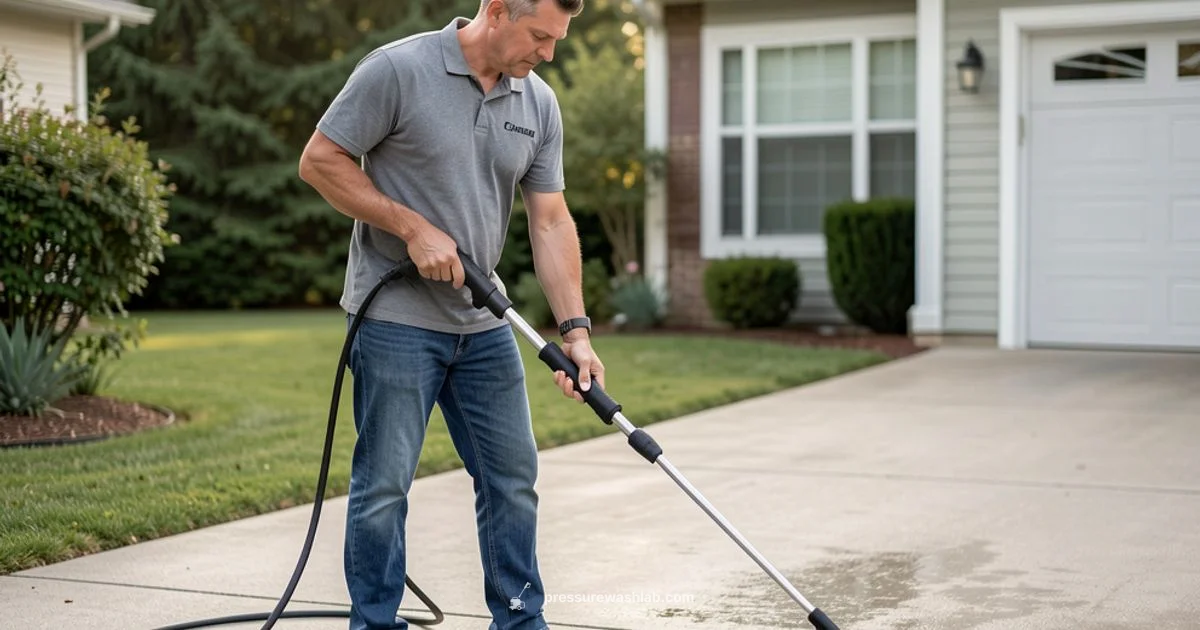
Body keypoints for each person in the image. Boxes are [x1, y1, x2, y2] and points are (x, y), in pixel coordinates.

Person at [297, 1, 602, 629]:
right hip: (395, 319)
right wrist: (409, 227)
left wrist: (575, 330)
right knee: (384, 487)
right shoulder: (398, 70)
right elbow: (320, 162)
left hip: (484, 325)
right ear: (497, 11)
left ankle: (519, 619)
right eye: (539, 36)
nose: (547, 54)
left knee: (513, 478)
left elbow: (549, 220)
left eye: (556, 40)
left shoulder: (537, 102)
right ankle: (376, 624)